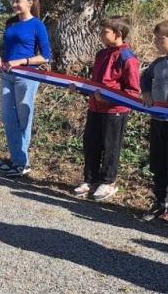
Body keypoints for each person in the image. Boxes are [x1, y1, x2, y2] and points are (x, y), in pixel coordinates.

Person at [70, 16, 140, 201]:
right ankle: (90, 179)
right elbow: (96, 83)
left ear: (118, 34)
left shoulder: (128, 57)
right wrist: (81, 89)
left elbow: (132, 91)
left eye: (104, 31)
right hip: (94, 108)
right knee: (91, 144)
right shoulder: (101, 54)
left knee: (111, 147)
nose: (100, 34)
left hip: (114, 111)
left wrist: (109, 100)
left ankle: (108, 182)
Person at [0, 0, 51, 177]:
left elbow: (46, 56)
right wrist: (0, 56)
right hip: (6, 75)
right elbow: (7, 48)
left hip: (26, 76)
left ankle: (23, 163)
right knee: (7, 118)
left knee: (23, 119)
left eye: (18, 1)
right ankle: (16, 160)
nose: (14, 4)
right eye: (13, 1)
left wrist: (22, 61)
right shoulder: (10, 24)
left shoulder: (37, 25)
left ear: (29, 3)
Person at [140, 20, 168, 224]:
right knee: (158, 162)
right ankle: (160, 202)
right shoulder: (157, 64)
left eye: (160, 38)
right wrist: (147, 92)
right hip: (158, 120)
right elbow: (144, 78)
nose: (156, 42)